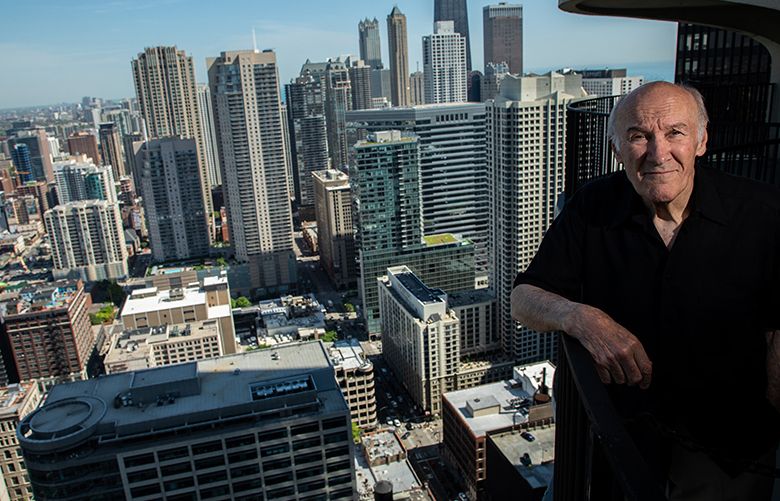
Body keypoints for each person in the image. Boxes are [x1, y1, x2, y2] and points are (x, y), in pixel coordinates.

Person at [511, 81, 780, 500]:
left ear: (702, 140)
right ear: (617, 150)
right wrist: (580, 317)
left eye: (675, 133)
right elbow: (524, 297)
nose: (658, 154)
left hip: (728, 447)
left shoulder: (763, 211)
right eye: (639, 137)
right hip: (620, 438)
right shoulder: (592, 205)